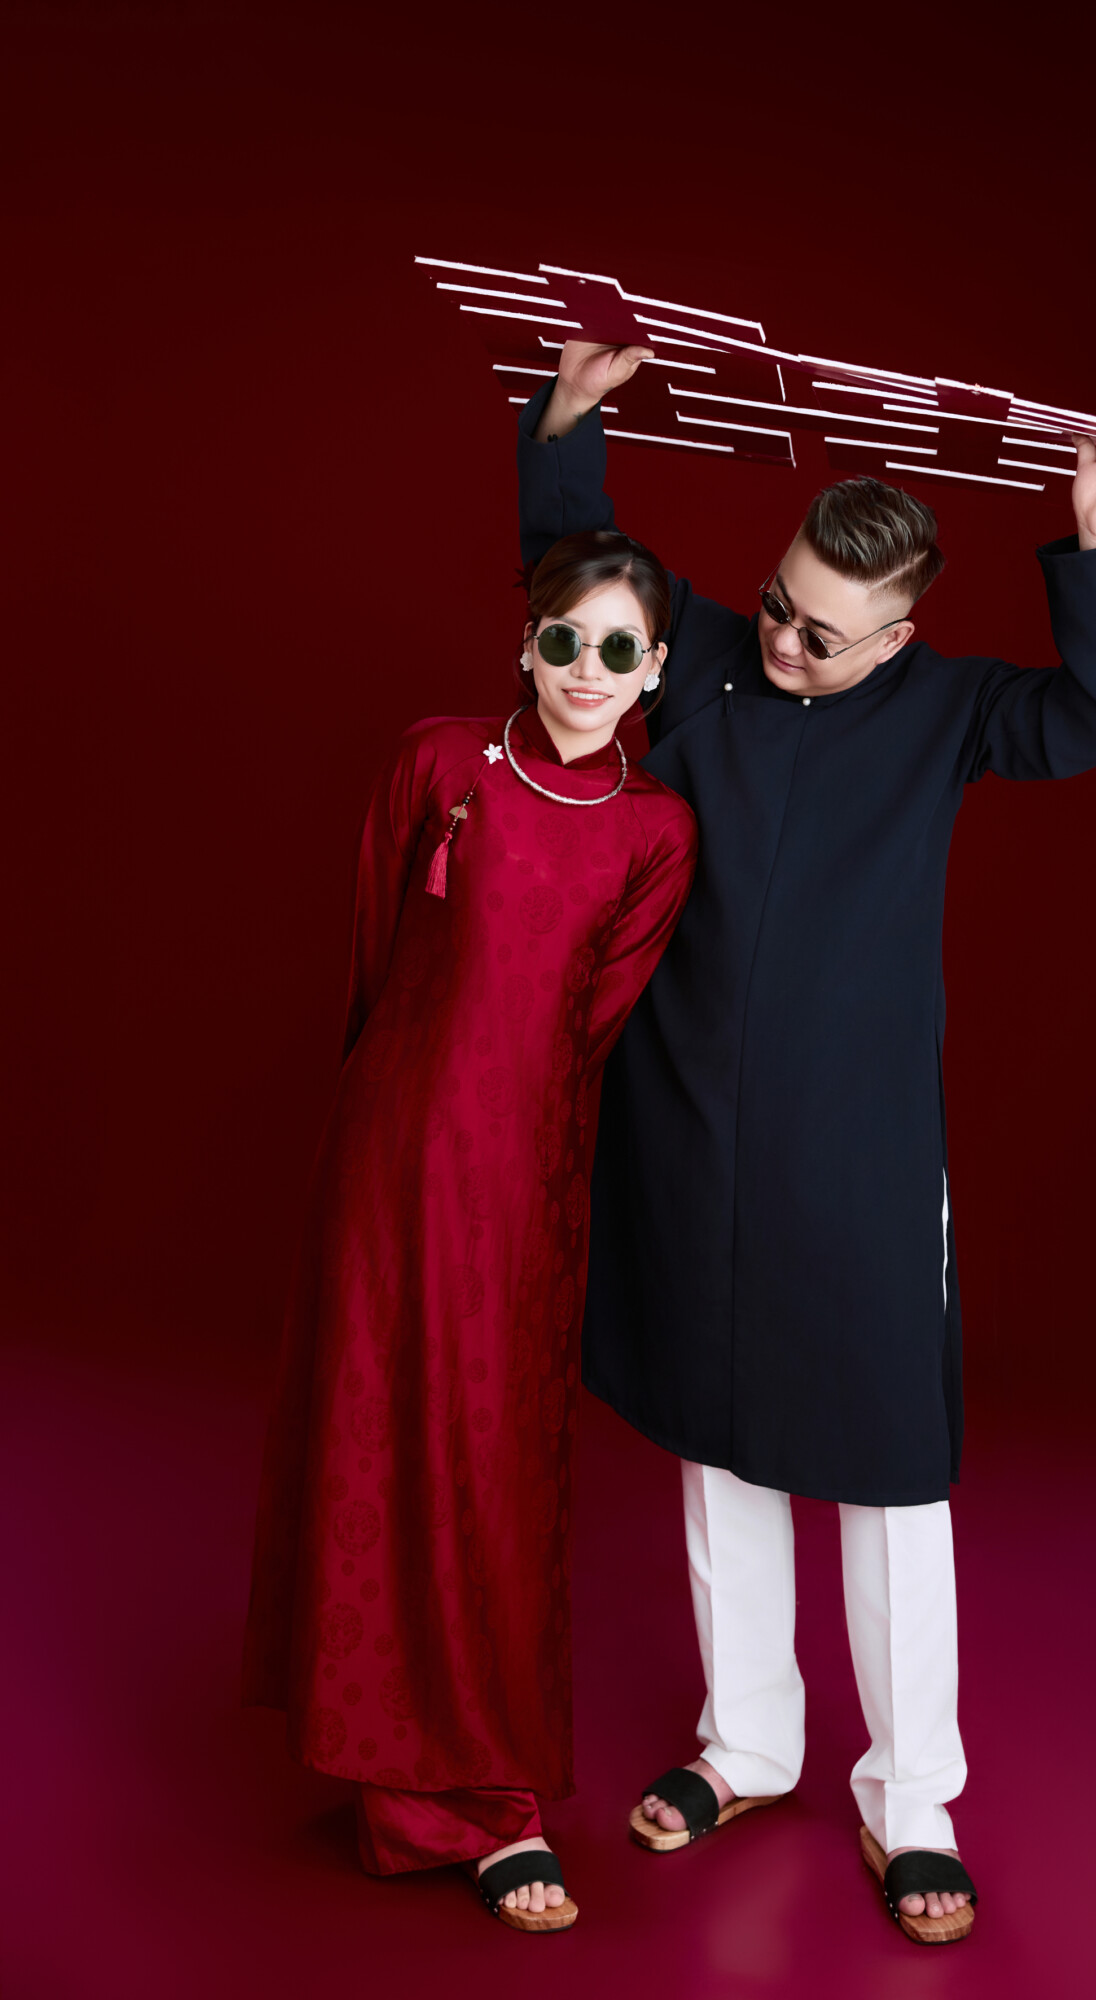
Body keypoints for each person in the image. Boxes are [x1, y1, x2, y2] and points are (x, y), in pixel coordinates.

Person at [516, 339, 1096, 1945]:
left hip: (856, 1151)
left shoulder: (950, 710)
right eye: (777, 605)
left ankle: (909, 1796)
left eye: (822, 631)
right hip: (686, 1122)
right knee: (715, 1436)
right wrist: (570, 424)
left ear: (900, 635)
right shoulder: (713, 658)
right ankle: (746, 1742)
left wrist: (1095, 544)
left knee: (884, 1467)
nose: (784, 641)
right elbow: (580, 574)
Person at [241, 528, 697, 1932]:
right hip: (390, 1162)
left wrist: (514, 1142)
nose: (584, 670)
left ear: (655, 670)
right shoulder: (437, 764)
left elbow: (589, 1027)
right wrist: (397, 1114)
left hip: (525, 1187)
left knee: (491, 1470)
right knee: (375, 1440)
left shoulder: (655, 833)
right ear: (526, 643)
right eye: (563, 640)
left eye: (617, 650)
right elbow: (377, 959)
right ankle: (398, 1786)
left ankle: (493, 1794)